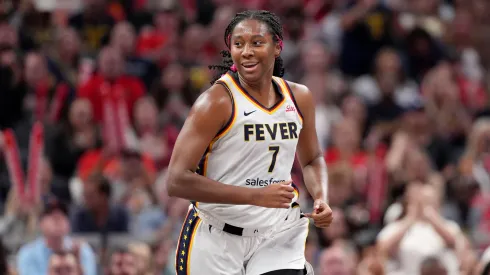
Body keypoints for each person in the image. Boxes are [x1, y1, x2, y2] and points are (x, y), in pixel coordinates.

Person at [166, 10, 333, 275]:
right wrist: (255, 196)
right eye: (238, 44)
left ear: (277, 46)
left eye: (257, 42)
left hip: (276, 233)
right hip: (216, 234)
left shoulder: (299, 97)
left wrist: (321, 196)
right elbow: (175, 180)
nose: (246, 51)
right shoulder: (216, 102)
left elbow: (312, 159)